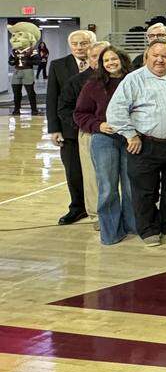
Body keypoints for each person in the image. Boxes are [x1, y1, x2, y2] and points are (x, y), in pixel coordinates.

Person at [106, 39, 166, 248]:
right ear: (146, 57)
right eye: (156, 55)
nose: (160, 60)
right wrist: (130, 135)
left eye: (165, 56)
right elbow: (115, 112)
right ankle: (148, 228)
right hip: (146, 144)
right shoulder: (133, 79)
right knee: (144, 190)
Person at [74, 45, 136, 245]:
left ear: (122, 60)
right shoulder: (93, 84)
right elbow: (80, 114)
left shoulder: (135, 80)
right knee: (108, 187)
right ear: (101, 64)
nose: (111, 63)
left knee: (130, 186)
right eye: (106, 60)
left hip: (130, 138)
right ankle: (111, 232)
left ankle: (133, 226)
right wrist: (98, 125)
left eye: (114, 59)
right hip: (104, 139)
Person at [48, 29, 94, 225]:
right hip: (69, 130)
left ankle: (99, 207)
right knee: (73, 172)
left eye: (83, 43)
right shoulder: (58, 65)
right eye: (74, 44)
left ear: (91, 43)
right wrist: (54, 128)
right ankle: (77, 207)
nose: (78, 47)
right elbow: (52, 98)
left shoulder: (103, 64)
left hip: (96, 128)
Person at [69, 39, 110, 233]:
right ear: (90, 59)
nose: (100, 60)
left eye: (104, 56)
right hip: (90, 133)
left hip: (119, 133)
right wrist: (92, 125)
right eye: (95, 56)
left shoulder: (126, 77)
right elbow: (67, 109)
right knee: (93, 178)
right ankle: (97, 215)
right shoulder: (79, 81)